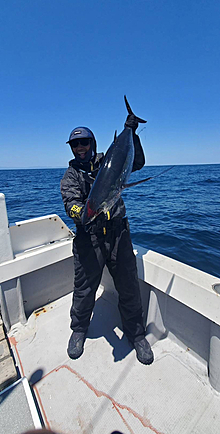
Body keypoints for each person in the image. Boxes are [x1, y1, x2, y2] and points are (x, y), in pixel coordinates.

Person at [60, 112, 154, 365]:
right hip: (88, 238)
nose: (80, 148)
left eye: (84, 143)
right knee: (84, 288)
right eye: (75, 145)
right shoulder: (70, 176)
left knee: (129, 285)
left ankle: (136, 335)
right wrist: (84, 214)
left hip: (118, 234)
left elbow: (138, 163)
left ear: (93, 144)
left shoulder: (108, 160)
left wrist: (131, 133)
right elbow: (71, 204)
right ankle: (78, 329)